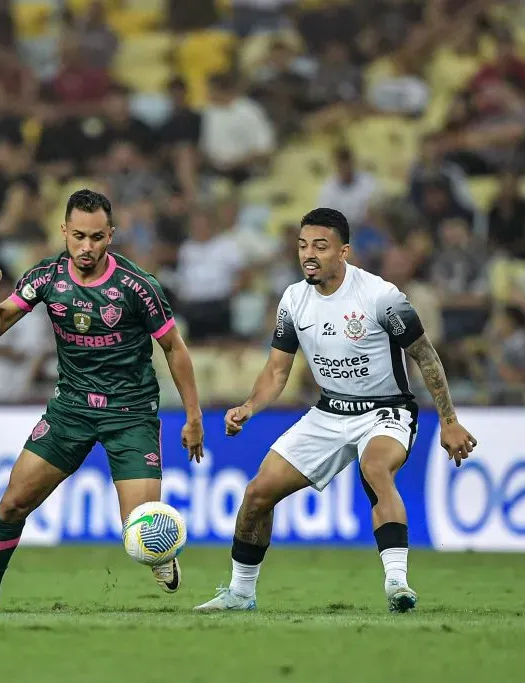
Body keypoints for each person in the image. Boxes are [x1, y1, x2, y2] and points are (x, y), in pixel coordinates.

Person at [193, 207, 477, 614]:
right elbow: (277, 370)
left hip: (386, 411)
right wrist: (250, 406)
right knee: (256, 495)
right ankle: (240, 593)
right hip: (328, 414)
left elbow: (426, 357)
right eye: (303, 245)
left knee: (375, 470)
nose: (309, 254)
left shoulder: (381, 297)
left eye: (320, 246)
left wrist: (449, 422)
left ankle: (397, 583)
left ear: (343, 251)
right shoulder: (293, 299)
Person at [0, 189, 205, 613]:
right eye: (79, 236)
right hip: (71, 410)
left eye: (98, 238)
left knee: (139, 531)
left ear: (111, 236)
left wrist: (193, 417)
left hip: (131, 414)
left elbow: (175, 349)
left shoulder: (137, 286)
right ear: (64, 231)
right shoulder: (46, 277)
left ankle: (162, 552)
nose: (87, 247)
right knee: (12, 504)